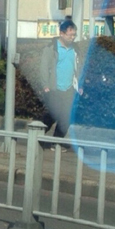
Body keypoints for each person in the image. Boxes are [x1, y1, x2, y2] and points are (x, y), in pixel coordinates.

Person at [39, 19, 83, 149]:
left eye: (74, 35)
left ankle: (56, 141)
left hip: (69, 88)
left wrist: (79, 85)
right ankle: (37, 135)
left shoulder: (75, 49)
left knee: (67, 117)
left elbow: (78, 68)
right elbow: (44, 67)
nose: (72, 37)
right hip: (54, 88)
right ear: (62, 34)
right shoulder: (51, 48)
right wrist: (45, 85)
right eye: (70, 35)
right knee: (53, 115)